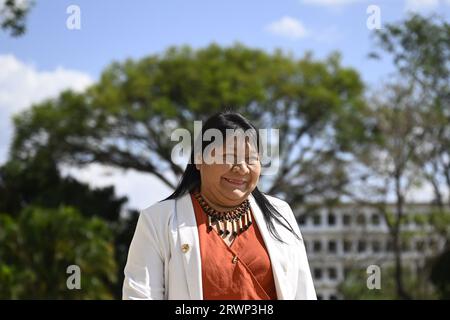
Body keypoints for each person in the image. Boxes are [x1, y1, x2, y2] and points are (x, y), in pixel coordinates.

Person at [122, 111, 316, 300]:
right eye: (228, 157)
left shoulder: (280, 214)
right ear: (199, 160)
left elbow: (303, 292)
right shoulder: (158, 221)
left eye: (251, 159)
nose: (241, 167)